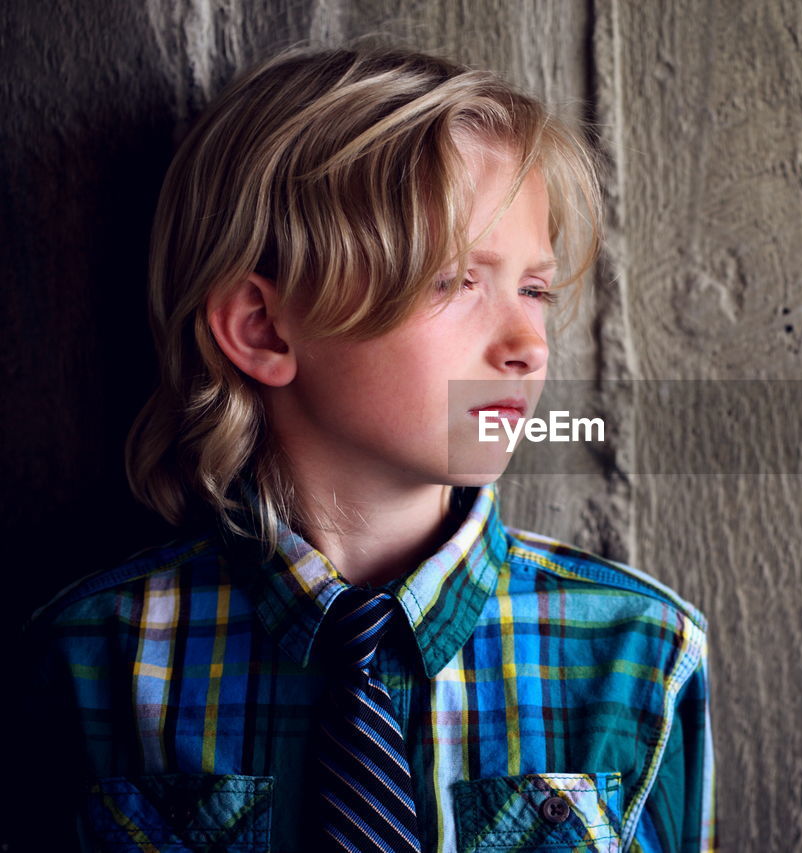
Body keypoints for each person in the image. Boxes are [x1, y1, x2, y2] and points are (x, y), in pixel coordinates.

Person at [22, 44, 713, 853]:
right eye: (456, 279)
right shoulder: (90, 655)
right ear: (263, 328)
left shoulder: (640, 649)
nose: (529, 343)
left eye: (534, 288)